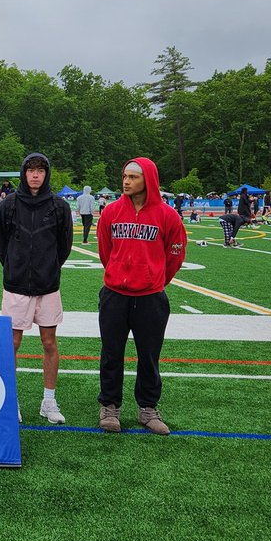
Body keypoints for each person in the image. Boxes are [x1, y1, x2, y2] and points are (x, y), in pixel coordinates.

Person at [95, 158, 187, 435]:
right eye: (124, 176)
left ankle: (148, 408)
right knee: (111, 353)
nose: (126, 181)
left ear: (148, 180)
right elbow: (104, 250)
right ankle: (110, 406)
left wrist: (155, 279)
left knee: (149, 356)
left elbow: (175, 253)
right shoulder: (111, 212)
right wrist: (117, 273)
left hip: (151, 297)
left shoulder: (167, 215)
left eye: (133, 177)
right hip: (114, 295)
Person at [0, 153, 73, 424]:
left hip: (48, 286)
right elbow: (1, 246)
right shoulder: (9, 205)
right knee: (12, 343)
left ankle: (48, 401)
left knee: (49, 342)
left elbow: (64, 247)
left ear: (46, 173)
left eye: (40, 170)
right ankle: (11, 400)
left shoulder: (59, 206)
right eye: (31, 170)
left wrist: (47, 268)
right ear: (23, 173)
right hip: (16, 285)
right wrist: (16, 268)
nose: (35, 175)